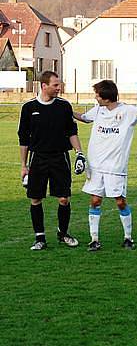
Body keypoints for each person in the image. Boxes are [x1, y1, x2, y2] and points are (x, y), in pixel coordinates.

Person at [17, 71, 86, 250]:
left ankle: (63, 233)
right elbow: (23, 139)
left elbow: (72, 132)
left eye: (59, 84)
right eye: (55, 85)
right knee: (35, 199)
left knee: (64, 198)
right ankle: (40, 238)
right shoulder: (29, 107)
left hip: (60, 157)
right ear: (44, 86)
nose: (59, 88)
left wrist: (79, 153)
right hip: (37, 158)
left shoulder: (64, 106)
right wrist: (23, 166)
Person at [75, 79, 137, 251]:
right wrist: (65, 109)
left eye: (98, 95)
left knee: (120, 202)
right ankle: (94, 239)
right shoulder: (98, 110)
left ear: (107, 97)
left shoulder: (127, 111)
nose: (96, 98)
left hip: (115, 166)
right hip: (96, 166)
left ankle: (128, 237)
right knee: (95, 201)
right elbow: (84, 118)